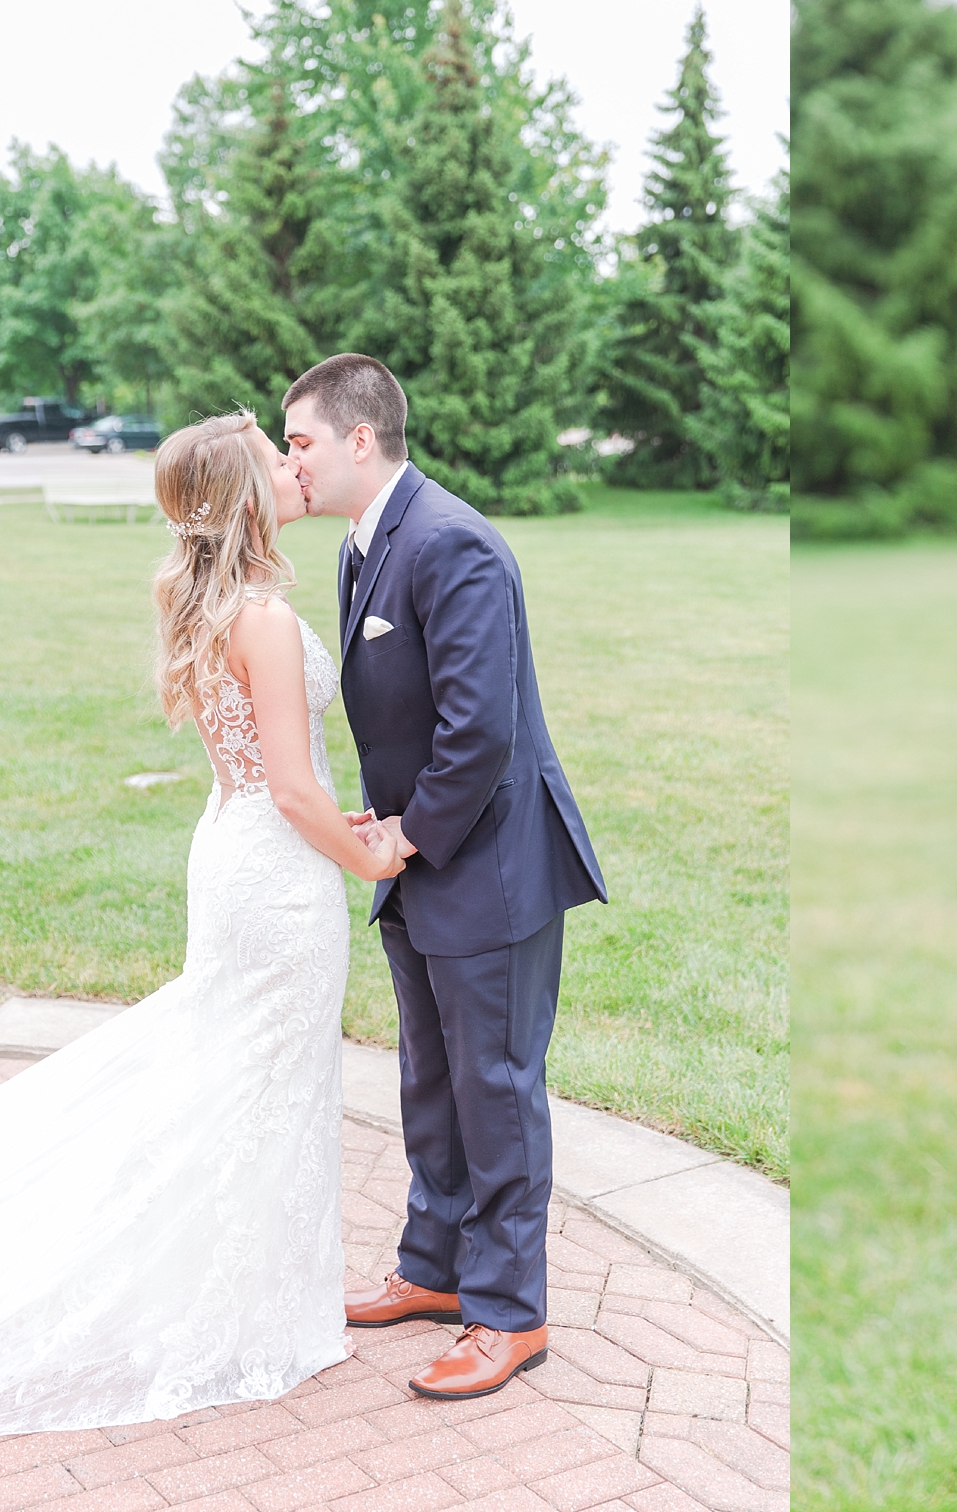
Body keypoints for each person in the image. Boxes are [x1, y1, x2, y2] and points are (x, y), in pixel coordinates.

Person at [0, 411, 404, 1447]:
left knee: (241, 1073)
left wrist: (336, 817)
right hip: (277, 873)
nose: (294, 470)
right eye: (272, 459)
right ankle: (250, 1312)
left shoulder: (194, 598)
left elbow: (270, 776)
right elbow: (292, 789)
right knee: (267, 1077)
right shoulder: (265, 620)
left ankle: (256, 1291)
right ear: (246, 496)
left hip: (230, 850)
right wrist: (369, 852)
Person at [280, 354, 607, 1403]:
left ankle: (509, 1313)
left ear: (359, 440)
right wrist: (389, 834)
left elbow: (479, 734)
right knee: (430, 1081)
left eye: (301, 443)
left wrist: (399, 840)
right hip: (418, 863)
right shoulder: (358, 547)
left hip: (490, 867)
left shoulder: (453, 541)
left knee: (495, 1091)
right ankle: (432, 1269)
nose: (291, 463)